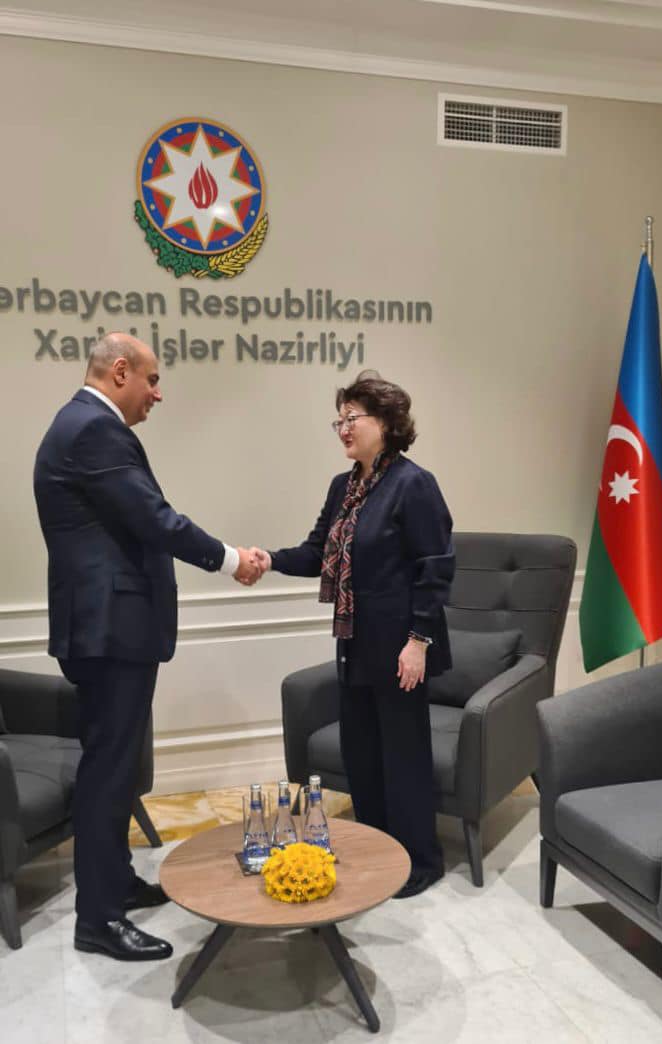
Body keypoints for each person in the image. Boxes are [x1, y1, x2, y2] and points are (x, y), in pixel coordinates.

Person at [33, 332, 261, 961]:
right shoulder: (93, 429)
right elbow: (154, 518)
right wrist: (231, 559)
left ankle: (116, 884)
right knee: (109, 772)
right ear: (120, 371)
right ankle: (98, 920)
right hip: (110, 632)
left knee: (118, 767)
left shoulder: (80, 425)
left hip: (110, 630)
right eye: (152, 380)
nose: (157, 394)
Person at [253, 372, 454, 898]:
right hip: (354, 641)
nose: (343, 428)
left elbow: (436, 568)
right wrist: (269, 559)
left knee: (403, 755)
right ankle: (378, 849)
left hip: (401, 645)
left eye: (352, 418)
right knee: (361, 751)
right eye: (338, 420)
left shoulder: (414, 484)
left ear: (385, 422)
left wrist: (419, 642)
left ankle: (420, 862)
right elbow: (317, 552)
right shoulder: (343, 487)